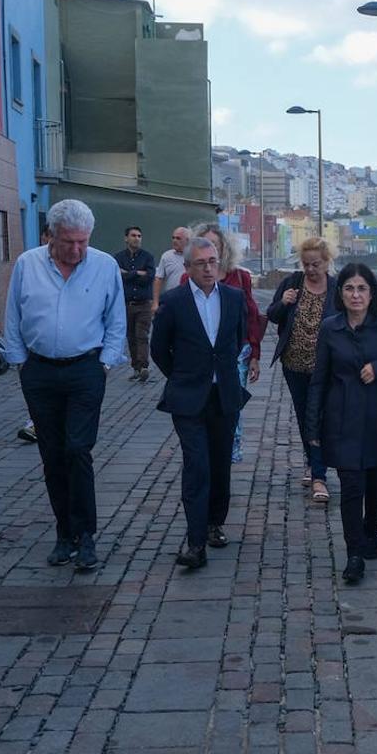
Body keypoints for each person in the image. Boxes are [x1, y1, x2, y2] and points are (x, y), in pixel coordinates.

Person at [4, 199, 126, 571]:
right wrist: (20, 363)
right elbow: (13, 316)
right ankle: (64, 533)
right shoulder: (28, 265)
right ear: (51, 236)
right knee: (52, 455)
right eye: (69, 242)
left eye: (83, 242)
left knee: (78, 449)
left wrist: (105, 363)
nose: (76, 250)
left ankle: (86, 535)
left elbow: (116, 320)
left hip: (85, 370)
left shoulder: (104, 266)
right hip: (39, 372)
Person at [306, 264, 377, 583]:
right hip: (342, 419)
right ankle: (353, 553)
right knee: (351, 486)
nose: (355, 295)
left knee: (375, 483)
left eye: (362, 289)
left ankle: (370, 532)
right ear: (340, 294)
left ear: (372, 293)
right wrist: (312, 427)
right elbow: (319, 379)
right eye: (349, 289)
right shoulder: (330, 328)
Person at [151, 237, 249, 569]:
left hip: (224, 395)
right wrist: (183, 377)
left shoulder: (234, 299)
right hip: (188, 397)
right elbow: (159, 349)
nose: (208, 268)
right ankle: (195, 543)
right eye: (201, 263)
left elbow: (236, 341)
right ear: (189, 267)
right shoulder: (174, 301)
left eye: (213, 262)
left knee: (220, 464)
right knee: (197, 465)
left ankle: (213, 524)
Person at [179, 222, 262, 462]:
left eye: (213, 245)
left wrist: (254, 352)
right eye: (203, 245)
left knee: (231, 403)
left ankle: (228, 451)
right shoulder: (188, 278)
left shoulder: (240, 277)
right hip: (202, 353)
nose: (209, 252)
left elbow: (252, 315)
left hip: (237, 349)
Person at [266, 237, 338, 502]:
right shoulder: (292, 283)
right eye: (306, 264)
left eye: (315, 264)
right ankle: (313, 463)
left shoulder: (337, 287)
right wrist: (283, 302)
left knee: (319, 416)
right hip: (294, 364)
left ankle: (319, 473)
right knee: (303, 415)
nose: (310, 269)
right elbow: (272, 315)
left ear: (327, 261)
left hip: (325, 367)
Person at [17, 224, 55, 444]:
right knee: (38, 392)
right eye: (49, 236)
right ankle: (35, 423)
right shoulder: (28, 263)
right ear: (43, 236)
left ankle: (41, 424)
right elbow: (16, 309)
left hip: (65, 348)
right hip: (34, 346)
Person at [114, 225, 156, 382]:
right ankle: (136, 368)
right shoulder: (118, 258)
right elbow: (117, 277)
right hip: (126, 304)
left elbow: (150, 277)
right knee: (130, 337)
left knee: (141, 335)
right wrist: (139, 273)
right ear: (126, 238)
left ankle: (144, 366)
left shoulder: (148, 257)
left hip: (144, 304)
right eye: (133, 235)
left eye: (139, 236)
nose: (137, 238)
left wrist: (128, 273)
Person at [152, 226, 189, 312]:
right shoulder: (167, 256)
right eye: (173, 238)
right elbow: (158, 279)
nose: (175, 240)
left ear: (187, 240)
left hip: (189, 300)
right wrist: (155, 302)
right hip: (170, 300)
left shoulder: (193, 256)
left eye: (178, 238)